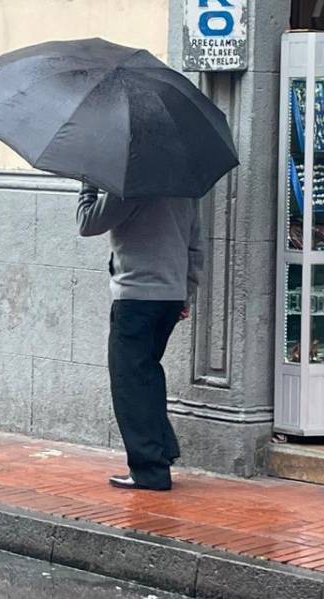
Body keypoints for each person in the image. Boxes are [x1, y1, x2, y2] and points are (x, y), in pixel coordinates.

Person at [77, 183, 204, 491]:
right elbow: (196, 245)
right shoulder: (184, 187)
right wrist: (185, 292)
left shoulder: (129, 187)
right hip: (170, 296)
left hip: (136, 297)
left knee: (129, 383)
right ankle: (163, 450)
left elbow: (87, 223)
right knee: (146, 373)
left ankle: (149, 470)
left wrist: (88, 186)